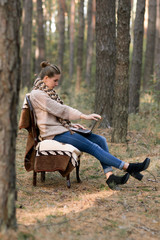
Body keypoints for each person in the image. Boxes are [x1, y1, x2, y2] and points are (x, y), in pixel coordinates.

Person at [30, 61, 150, 190]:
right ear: (46, 78)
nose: (57, 84)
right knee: (92, 147)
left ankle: (110, 177)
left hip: (62, 130)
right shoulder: (38, 94)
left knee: (100, 140)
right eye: (55, 80)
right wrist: (84, 116)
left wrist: (73, 126)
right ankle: (128, 167)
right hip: (54, 135)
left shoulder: (46, 92)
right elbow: (61, 110)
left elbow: (52, 117)